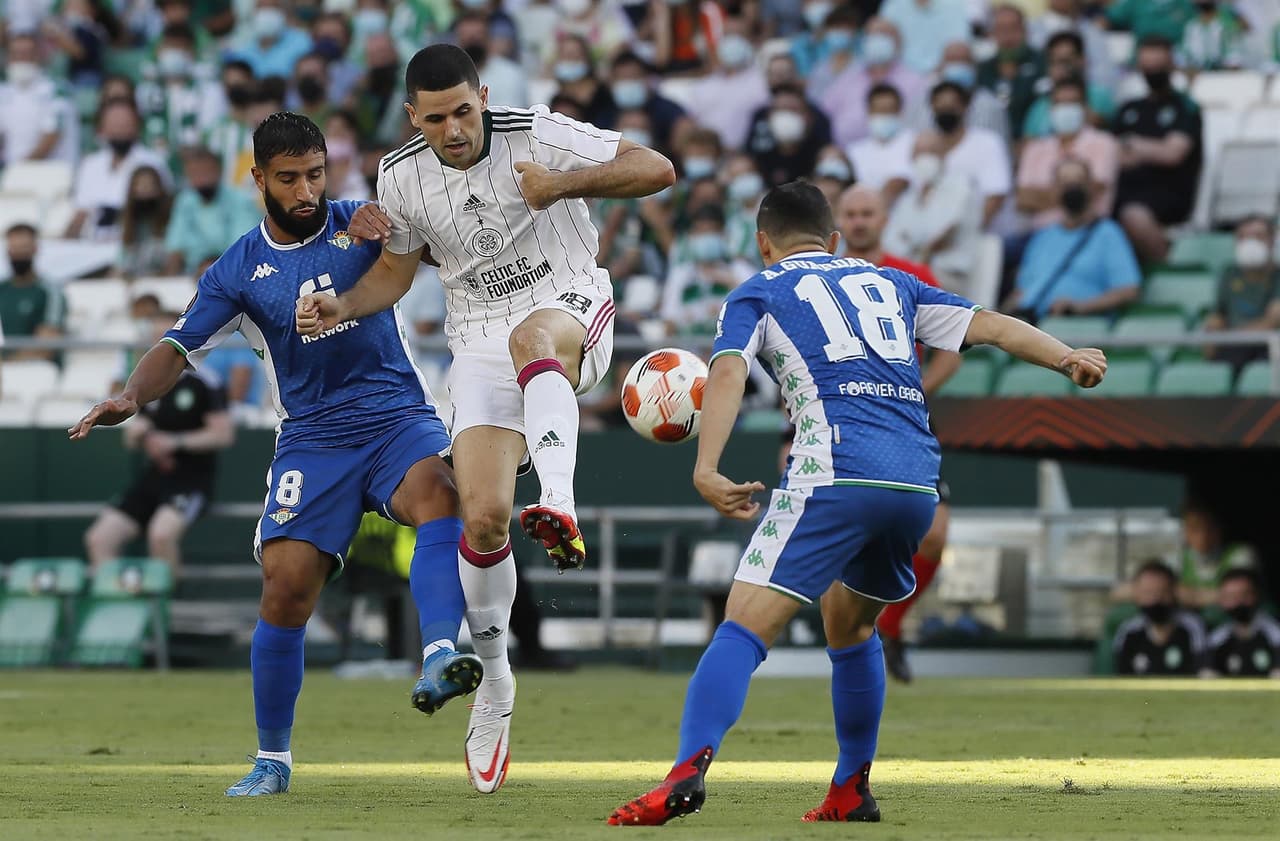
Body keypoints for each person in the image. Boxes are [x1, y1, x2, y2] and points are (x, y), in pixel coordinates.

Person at [607, 181, 1107, 826]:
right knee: (850, 625)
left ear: (764, 244)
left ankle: (684, 773)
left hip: (836, 471)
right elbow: (989, 325)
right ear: (835, 239)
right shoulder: (893, 282)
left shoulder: (758, 290)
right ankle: (850, 789)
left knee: (742, 625)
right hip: (915, 481)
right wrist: (1066, 356)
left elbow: (726, 370)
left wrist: (706, 466)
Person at [296, 44, 674, 793]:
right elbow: (396, 271)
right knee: (483, 518)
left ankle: (559, 500)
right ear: (414, 117)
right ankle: (496, 682)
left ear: (484, 97)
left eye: (465, 111)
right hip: (476, 339)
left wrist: (561, 184)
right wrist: (343, 305)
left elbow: (656, 168)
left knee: (534, 339)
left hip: (567, 302)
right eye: (437, 118)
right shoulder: (400, 175)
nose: (455, 129)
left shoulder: (537, 131)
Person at [70, 112, 483, 797]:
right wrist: (131, 396)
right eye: (289, 178)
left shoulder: (363, 222)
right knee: (285, 588)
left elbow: (449, 251)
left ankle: (440, 651)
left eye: (316, 174)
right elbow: (178, 346)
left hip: (396, 418)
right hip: (313, 439)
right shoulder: (237, 269)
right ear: (258, 179)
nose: (306, 191)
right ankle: (272, 759)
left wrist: (403, 235)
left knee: (441, 493)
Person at [836, 183, 962, 681]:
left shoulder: (913, 276)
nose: (859, 221)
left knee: (934, 537)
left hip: (908, 422)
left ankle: (886, 628)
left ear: (885, 219)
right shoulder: (823, 279)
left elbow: (952, 347)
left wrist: (915, 390)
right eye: (851, 213)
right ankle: (848, 640)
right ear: (838, 221)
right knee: (845, 540)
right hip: (843, 422)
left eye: (868, 212)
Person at [82, 309, 234, 576]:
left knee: (161, 535)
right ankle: (117, 598)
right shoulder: (143, 385)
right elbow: (130, 440)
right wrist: (140, 433)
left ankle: (166, 600)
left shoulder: (204, 382)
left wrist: (175, 442)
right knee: (99, 538)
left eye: (163, 339)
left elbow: (223, 434)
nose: (157, 347)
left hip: (191, 481)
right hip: (153, 478)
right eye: (153, 339)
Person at [1004, 158, 1141, 319]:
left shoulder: (1109, 234)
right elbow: (1021, 291)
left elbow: (1128, 290)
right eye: (1064, 183)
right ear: (1054, 190)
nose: (1072, 188)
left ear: (1091, 187)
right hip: (1031, 323)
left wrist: (1079, 307)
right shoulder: (1042, 237)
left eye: (1078, 181)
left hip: (1077, 326)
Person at [1113, 35, 1203, 265]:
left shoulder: (1185, 107)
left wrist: (1133, 144)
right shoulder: (1129, 108)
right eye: (1148, 67)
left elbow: (1173, 154)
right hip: (1124, 188)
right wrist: (1149, 149)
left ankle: (1165, 267)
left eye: (1158, 67)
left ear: (1171, 65)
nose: (1153, 73)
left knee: (1133, 215)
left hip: (1168, 190)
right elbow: (1113, 153)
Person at [1016, 77, 1120, 233]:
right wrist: (1073, 194)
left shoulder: (1105, 143)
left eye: (1072, 103)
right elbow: (1023, 199)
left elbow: (1094, 190)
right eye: (1060, 103)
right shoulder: (1035, 148)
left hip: (1088, 233)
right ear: (1051, 109)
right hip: (1038, 235)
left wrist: (1041, 196)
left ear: (1085, 107)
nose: (1065, 108)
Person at [883, 133, 981, 298]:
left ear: (944, 155)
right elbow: (892, 238)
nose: (925, 158)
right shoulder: (909, 196)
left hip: (949, 274)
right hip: (911, 270)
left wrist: (917, 249)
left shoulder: (960, 187)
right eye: (920, 152)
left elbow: (943, 232)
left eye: (931, 151)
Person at [67, 98, 173, 242]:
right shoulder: (90, 164)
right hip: (92, 242)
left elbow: (163, 212)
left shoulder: (154, 163)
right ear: (102, 129)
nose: (120, 131)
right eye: (115, 125)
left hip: (136, 241)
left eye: (125, 125)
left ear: (137, 127)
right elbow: (81, 211)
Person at [821, 17, 927, 147]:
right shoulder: (847, 77)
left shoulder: (916, 81)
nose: (877, 39)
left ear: (898, 42)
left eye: (883, 34)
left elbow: (921, 125)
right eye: (871, 35)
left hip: (898, 152)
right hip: (846, 151)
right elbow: (824, 114)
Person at [921, 81, 1011, 231]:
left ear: (965, 107)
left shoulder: (988, 143)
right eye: (940, 108)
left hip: (978, 232)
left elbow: (996, 196)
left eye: (951, 108)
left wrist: (968, 234)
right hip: (932, 233)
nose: (945, 113)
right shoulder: (923, 146)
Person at [164, 147, 262, 275]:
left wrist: (211, 270)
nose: (201, 179)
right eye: (194, 174)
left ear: (218, 171)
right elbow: (175, 245)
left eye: (206, 172)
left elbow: (243, 248)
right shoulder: (185, 201)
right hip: (192, 273)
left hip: (236, 272)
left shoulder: (240, 200)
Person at [661, 205, 756, 335]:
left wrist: (729, 281)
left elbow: (757, 307)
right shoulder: (680, 274)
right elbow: (669, 321)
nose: (706, 237)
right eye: (700, 231)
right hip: (690, 344)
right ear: (691, 236)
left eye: (711, 231)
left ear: (723, 234)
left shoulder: (740, 269)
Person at [1204, 215, 1280, 369]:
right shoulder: (1229, 273)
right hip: (1232, 349)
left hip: (1268, 349)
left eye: (1258, 236)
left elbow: (1272, 321)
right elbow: (1217, 318)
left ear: (1272, 240)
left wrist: (1229, 337)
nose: (1250, 243)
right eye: (1243, 237)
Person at [1112, 560, 1205, 676]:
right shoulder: (1128, 632)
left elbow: (1203, 671)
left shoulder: (1191, 628)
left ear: (1173, 593)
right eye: (1148, 593)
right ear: (1137, 594)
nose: (1155, 600)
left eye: (1162, 592)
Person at [0, 31, 77, 168]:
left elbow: (51, 138)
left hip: (50, 173)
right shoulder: (4, 91)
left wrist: (16, 169)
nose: (21, 59)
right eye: (15, 54)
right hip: (11, 172)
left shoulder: (57, 90)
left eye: (27, 54)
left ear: (39, 56)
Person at [1020, 31, 1116, 139]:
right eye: (1054, 62)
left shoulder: (1101, 96)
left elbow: (1113, 134)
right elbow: (1027, 143)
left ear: (1082, 60)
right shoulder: (1039, 107)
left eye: (1066, 61)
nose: (1062, 68)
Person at [910, 41, 1011, 142]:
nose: (957, 65)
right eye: (952, 60)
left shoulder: (990, 104)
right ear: (941, 65)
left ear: (973, 65)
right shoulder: (921, 101)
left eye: (963, 60)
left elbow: (1000, 143)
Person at [976, 4, 1044, 141]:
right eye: (1001, 29)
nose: (1008, 35)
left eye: (1013, 28)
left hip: (1035, 141)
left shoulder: (1042, 63)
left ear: (1025, 30)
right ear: (993, 33)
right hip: (994, 142)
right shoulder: (983, 69)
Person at [0, 224, 65, 362]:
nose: (18, 254)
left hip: (33, 368)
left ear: (35, 249)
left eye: (23, 248)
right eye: (14, 248)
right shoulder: (2, 289)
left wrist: (7, 363)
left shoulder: (50, 292)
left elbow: (45, 346)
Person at [1203, 569, 1280, 678]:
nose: (1237, 602)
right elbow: (1206, 673)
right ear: (1222, 600)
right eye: (1230, 596)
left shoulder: (1275, 632)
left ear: (1256, 595)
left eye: (1243, 595)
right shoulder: (1217, 638)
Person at [845, 83, 914, 204]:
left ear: (900, 111)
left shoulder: (915, 142)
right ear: (869, 111)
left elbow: (900, 182)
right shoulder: (854, 151)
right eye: (879, 110)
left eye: (889, 110)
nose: (884, 115)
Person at [879, 0, 971, 75]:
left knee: (958, 68)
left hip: (942, 76)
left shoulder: (955, 4)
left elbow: (959, 47)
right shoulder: (893, 4)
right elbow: (882, 41)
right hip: (898, 75)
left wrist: (934, 76)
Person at [117, 166, 174, 279]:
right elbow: (121, 260)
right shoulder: (129, 223)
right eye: (140, 186)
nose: (145, 190)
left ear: (159, 189)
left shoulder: (172, 219)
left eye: (150, 185)